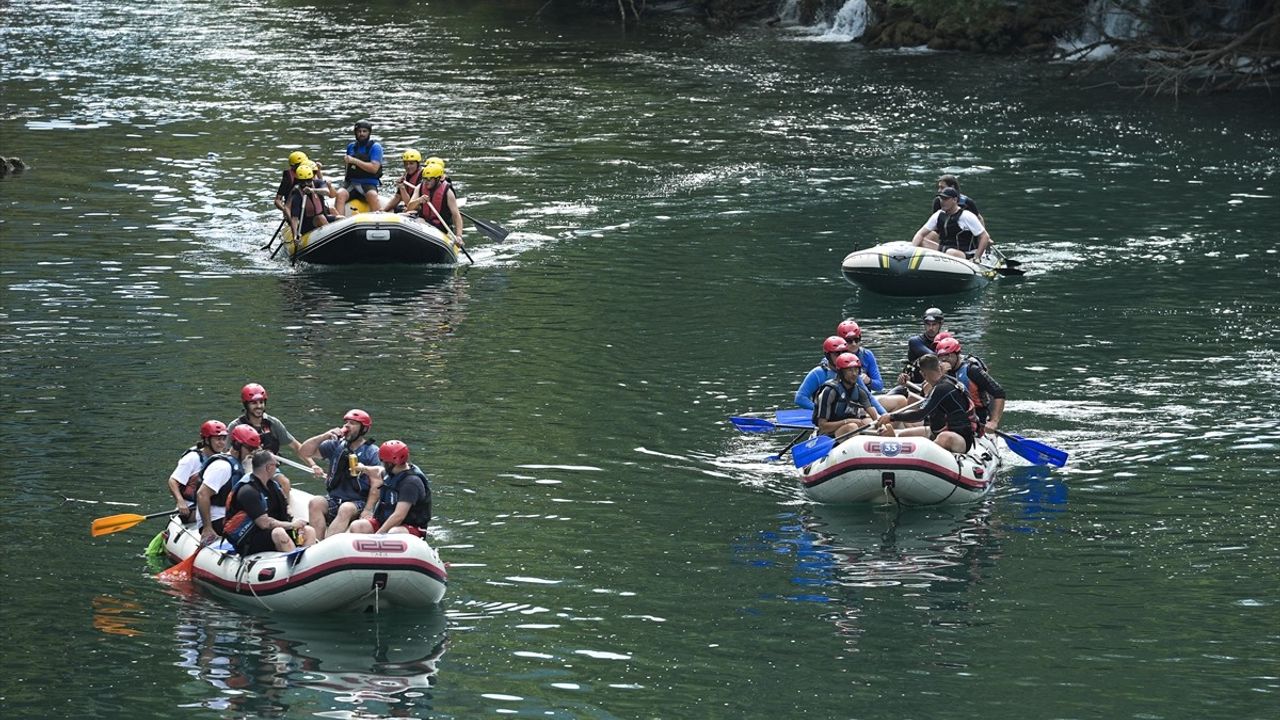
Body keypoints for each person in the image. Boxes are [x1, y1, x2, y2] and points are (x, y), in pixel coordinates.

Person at [301, 409, 382, 539]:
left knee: (346, 508)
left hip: (358, 502)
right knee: (315, 502)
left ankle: (328, 546)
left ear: (364, 429)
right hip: (335, 498)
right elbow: (304, 451)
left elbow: (377, 483)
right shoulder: (335, 445)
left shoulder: (372, 452)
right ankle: (316, 544)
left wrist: (368, 509)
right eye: (346, 423)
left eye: (353, 423)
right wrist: (324, 436)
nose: (347, 426)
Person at [876, 353, 978, 454]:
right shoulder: (946, 382)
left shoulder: (942, 388)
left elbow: (920, 415)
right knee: (902, 435)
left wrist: (892, 417)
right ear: (939, 367)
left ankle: (923, 456)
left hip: (960, 439)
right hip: (937, 431)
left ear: (923, 374)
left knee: (945, 437)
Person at [228, 383, 314, 502]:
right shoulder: (236, 426)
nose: (259, 406)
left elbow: (297, 447)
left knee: (284, 482)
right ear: (246, 405)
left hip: (269, 467)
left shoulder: (273, 424)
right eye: (254, 403)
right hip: (245, 467)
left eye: (261, 402)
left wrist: (313, 465)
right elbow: (228, 454)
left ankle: (285, 511)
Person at [222, 450, 316, 555]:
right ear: (269, 467)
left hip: (275, 532)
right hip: (252, 539)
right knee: (279, 533)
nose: (277, 468)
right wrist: (292, 525)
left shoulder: (273, 486)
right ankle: (296, 563)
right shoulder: (248, 491)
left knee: (309, 530)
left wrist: (297, 524)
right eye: (276, 465)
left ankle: (306, 563)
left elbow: (286, 509)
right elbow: (265, 524)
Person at [349, 440, 432, 537]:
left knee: (393, 532)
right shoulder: (393, 472)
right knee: (357, 526)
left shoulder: (410, 483)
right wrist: (363, 468)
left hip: (410, 527)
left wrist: (378, 535)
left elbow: (399, 516)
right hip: (386, 521)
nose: (382, 463)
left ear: (390, 464)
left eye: (383, 461)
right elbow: (379, 471)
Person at [196, 424, 261, 543]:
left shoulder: (243, 464)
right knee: (261, 526)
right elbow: (202, 494)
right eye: (250, 449)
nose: (253, 453)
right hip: (217, 519)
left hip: (230, 515)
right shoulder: (222, 467)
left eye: (255, 449)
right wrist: (207, 528)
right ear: (236, 445)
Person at [934, 336, 1006, 437]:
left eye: (948, 355)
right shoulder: (940, 372)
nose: (945, 359)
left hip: (977, 418)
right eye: (941, 356)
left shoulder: (972, 370)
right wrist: (939, 376)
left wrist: (994, 421)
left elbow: (999, 392)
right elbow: (930, 396)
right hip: (953, 417)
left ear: (957, 354)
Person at [167, 420, 228, 522]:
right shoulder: (192, 458)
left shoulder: (222, 458)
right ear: (207, 440)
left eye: (223, 439)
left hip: (210, 505)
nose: (222, 443)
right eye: (218, 439)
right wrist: (180, 502)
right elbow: (172, 481)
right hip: (191, 508)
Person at [813, 353, 884, 438]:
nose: (854, 374)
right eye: (850, 370)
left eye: (856, 370)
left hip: (850, 427)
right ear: (841, 372)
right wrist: (848, 421)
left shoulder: (859, 391)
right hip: (829, 433)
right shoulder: (829, 391)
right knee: (852, 426)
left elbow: (873, 413)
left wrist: (880, 425)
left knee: (872, 422)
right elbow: (823, 426)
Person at [911, 187, 991, 260]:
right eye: (941, 198)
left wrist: (977, 257)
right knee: (921, 241)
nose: (942, 201)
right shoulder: (938, 215)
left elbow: (985, 236)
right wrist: (912, 250)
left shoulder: (967, 216)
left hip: (963, 253)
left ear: (955, 200)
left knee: (951, 253)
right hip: (944, 249)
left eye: (945, 199)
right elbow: (920, 234)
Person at [404, 156, 464, 246]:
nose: (427, 182)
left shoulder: (448, 192)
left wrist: (459, 236)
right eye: (425, 179)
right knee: (406, 214)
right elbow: (409, 207)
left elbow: (456, 215)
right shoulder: (419, 187)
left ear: (437, 179)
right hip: (424, 222)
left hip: (440, 226)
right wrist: (419, 200)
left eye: (430, 179)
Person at [334, 120, 384, 214]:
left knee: (372, 195)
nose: (361, 134)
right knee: (340, 194)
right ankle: (338, 221)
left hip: (368, 184)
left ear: (369, 133)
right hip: (352, 183)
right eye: (359, 131)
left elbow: (374, 168)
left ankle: (378, 222)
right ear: (355, 133)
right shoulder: (351, 147)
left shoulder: (375, 147)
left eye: (364, 131)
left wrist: (354, 161)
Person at [794, 335, 849, 410]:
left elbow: (867, 397)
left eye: (844, 352)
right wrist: (820, 411)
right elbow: (800, 398)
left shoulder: (853, 372)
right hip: (825, 417)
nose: (841, 356)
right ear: (828, 356)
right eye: (837, 353)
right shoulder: (818, 373)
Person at [286, 163, 337, 238]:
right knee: (320, 218)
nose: (306, 184)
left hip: (324, 217)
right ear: (299, 181)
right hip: (306, 224)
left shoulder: (319, 183)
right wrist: (295, 235)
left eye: (308, 181)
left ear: (312, 178)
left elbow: (327, 192)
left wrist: (312, 190)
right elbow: (295, 218)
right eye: (303, 182)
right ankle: (333, 238)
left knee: (341, 218)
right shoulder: (297, 193)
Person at [899, 307, 946, 386]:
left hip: (938, 384)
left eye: (934, 324)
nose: (931, 328)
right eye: (928, 324)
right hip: (914, 384)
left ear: (940, 324)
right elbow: (932, 358)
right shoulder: (915, 341)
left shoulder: (946, 341)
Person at [383, 149, 425, 213]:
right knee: (395, 209)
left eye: (411, 163)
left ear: (418, 164)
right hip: (409, 206)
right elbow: (397, 197)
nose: (408, 166)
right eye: (406, 164)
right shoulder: (406, 176)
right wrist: (383, 210)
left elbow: (411, 205)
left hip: (418, 209)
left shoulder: (424, 177)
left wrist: (402, 188)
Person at [273, 151, 310, 216]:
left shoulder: (309, 172)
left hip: (309, 205)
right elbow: (277, 200)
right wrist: (285, 210)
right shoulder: (288, 177)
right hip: (294, 208)